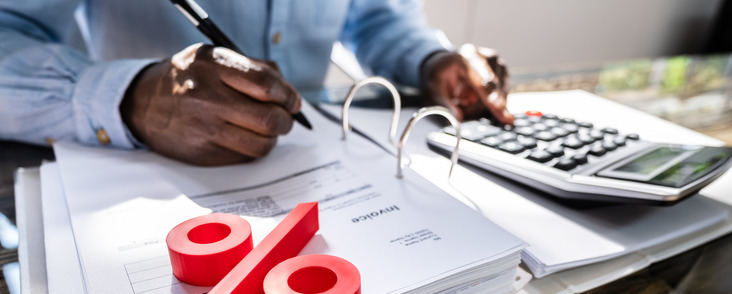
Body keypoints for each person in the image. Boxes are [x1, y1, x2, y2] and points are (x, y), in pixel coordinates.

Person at [0, 0, 513, 166]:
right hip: (138, 165)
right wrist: (132, 95)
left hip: (310, 153)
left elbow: (372, 15)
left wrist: (428, 59)